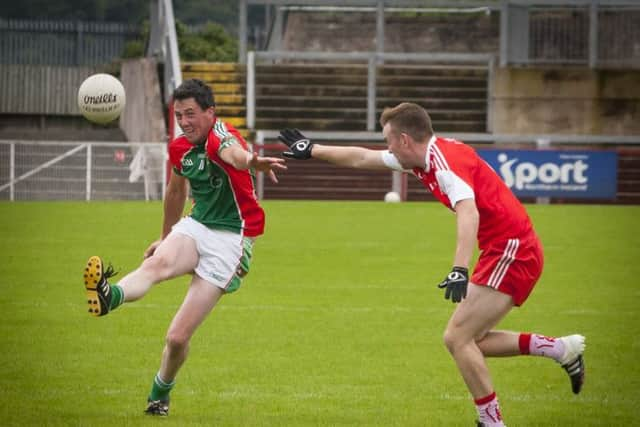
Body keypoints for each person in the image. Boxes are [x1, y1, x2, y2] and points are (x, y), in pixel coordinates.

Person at [277, 102, 585, 427]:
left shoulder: (443, 164)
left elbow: (469, 211)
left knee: (457, 338)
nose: (388, 148)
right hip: (506, 248)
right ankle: (561, 350)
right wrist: (313, 150)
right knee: (471, 340)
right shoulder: (424, 158)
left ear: (405, 140)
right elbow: (362, 157)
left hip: (513, 249)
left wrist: (459, 268)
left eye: (390, 141)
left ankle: (491, 421)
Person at [83, 78, 286, 416]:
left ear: (210, 112)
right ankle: (109, 295)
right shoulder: (179, 147)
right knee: (156, 264)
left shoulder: (222, 136)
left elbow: (233, 155)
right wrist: (165, 236)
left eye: (191, 114)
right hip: (198, 225)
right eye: (179, 115)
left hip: (232, 238)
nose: (185, 122)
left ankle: (160, 393)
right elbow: (176, 192)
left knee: (177, 338)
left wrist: (251, 162)